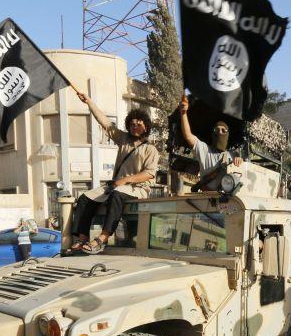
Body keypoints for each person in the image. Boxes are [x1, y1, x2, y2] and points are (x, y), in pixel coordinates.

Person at [71, 92, 159, 254]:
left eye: (138, 123)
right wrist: (89, 102)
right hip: (116, 186)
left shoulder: (150, 149)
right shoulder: (123, 139)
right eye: (132, 124)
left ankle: (102, 238)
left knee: (117, 194)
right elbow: (104, 122)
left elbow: (149, 174)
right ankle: (82, 238)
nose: (135, 126)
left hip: (138, 188)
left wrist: (125, 180)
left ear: (146, 126)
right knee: (85, 198)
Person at [179, 94, 242, 190]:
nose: (220, 133)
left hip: (226, 201)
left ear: (227, 134)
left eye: (223, 131)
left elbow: (242, 169)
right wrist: (183, 113)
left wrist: (239, 161)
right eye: (216, 130)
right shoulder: (204, 150)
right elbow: (188, 135)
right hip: (206, 199)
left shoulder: (233, 154)